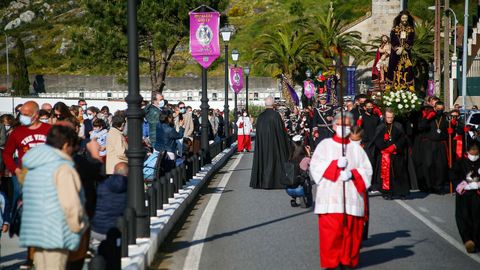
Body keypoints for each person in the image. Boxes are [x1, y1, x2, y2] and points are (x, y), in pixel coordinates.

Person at [309, 111, 372, 269]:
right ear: (334, 125)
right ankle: (331, 264)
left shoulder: (357, 149)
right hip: (330, 200)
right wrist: (335, 165)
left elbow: (367, 171)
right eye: (340, 124)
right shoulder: (325, 145)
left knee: (350, 235)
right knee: (331, 234)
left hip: (351, 199)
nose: (343, 127)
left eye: (347, 125)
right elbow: (315, 167)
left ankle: (347, 262)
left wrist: (352, 174)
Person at [20, 125, 88, 270]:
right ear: (65, 146)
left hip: (37, 231)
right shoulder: (63, 168)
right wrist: (79, 227)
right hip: (57, 232)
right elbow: (71, 205)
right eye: (72, 147)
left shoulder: (34, 165)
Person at [250, 96, 291, 189]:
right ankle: (275, 182)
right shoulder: (276, 115)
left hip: (263, 145)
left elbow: (258, 132)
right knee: (274, 161)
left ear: (265, 105)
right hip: (274, 144)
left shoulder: (260, 116)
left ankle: (263, 182)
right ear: (273, 104)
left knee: (264, 161)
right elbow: (281, 131)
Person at [373, 108, 409, 199]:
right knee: (386, 175)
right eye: (388, 117)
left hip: (396, 153)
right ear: (385, 117)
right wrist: (383, 144)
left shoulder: (398, 126)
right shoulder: (380, 126)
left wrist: (395, 146)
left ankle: (401, 192)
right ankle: (387, 193)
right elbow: (376, 140)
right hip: (385, 154)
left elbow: (403, 138)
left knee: (399, 173)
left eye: (391, 117)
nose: (390, 119)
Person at [415, 101, 449, 193]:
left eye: (441, 109)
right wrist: (428, 118)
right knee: (429, 164)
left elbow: (450, 130)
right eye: (438, 109)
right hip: (429, 144)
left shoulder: (445, 118)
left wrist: (452, 129)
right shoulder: (429, 116)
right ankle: (429, 185)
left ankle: (438, 186)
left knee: (440, 166)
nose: (439, 111)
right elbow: (420, 127)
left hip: (441, 144)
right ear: (434, 108)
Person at [453, 142, 480, 253]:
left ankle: (477, 240)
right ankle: (467, 239)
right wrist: (464, 185)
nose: (474, 153)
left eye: (476, 152)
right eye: (472, 151)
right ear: (467, 151)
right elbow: (453, 175)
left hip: (477, 195)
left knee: (477, 218)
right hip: (464, 195)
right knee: (463, 217)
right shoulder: (460, 163)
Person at [91, 162, 128, 241]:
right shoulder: (130, 186)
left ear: (114, 171)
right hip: (117, 231)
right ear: (127, 173)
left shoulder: (102, 185)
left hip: (96, 230)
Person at [386, 10, 415, 90]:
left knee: (407, 70)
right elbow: (393, 40)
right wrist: (397, 48)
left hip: (406, 53)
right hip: (396, 53)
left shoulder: (411, 30)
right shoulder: (394, 29)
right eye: (403, 18)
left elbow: (411, 41)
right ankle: (391, 87)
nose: (404, 20)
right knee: (393, 69)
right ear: (400, 18)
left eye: (406, 18)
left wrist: (404, 48)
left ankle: (408, 87)